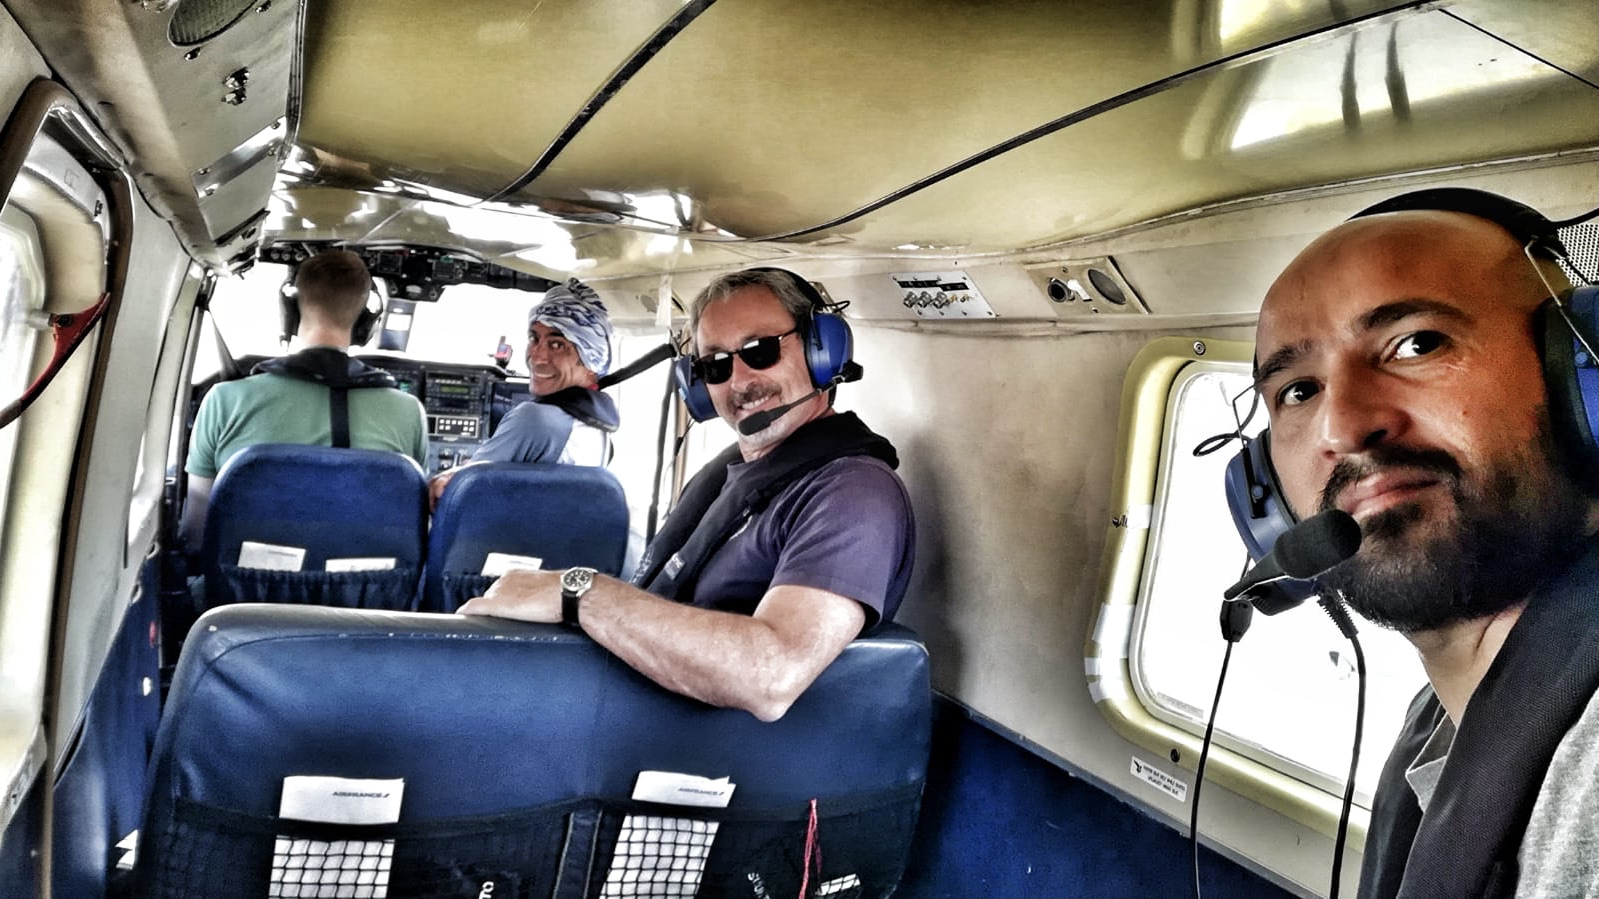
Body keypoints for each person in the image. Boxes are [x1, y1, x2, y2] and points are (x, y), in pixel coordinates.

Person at [1250, 188, 1599, 898]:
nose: (1342, 427)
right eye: (1296, 389)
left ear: (1582, 380)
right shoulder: (1434, 724)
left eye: (1415, 343)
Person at [458, 267, 915, 722]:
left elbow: (773, 675)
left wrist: (580, 593)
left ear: (821, 349)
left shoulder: (852, 495)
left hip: (725, 777)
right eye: (715, 364)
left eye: (761, 351)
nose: (738, 381)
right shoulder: (730, 476)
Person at [183, 249, 428, 545]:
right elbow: (411, 520)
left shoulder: (224, 400)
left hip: (240, 589)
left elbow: (197, 531)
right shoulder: (409, 411)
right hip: (363, 588)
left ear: (291, 312)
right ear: (367, 324)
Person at [427, 279, 618, 509]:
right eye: (534, 339)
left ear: (591, 359)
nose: (537, 357)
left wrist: (444, 479)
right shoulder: (599, 427)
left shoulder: (535, 419)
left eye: (557, 345)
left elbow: (454, 496)